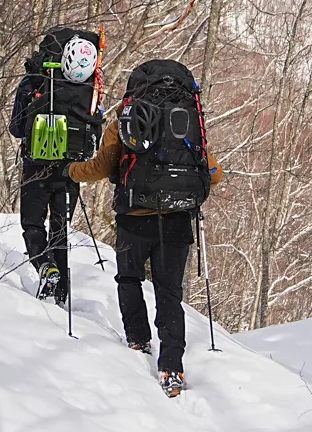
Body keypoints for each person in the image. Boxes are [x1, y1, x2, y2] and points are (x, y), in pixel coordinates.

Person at [70, 58, 222, 395]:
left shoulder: (126, 119)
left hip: (134, 219)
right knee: (170, 292)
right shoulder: (188, 120)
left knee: (129, 279)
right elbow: (215, 172)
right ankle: (172, 367)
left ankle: (138, 341)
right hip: (178, 219)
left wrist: (71, 171)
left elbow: (100, 167)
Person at [8, 27, 104, 308]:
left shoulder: (35, 80)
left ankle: (44, 266)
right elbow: (96, 130)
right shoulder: (91, 89)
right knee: (60, 227)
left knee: (32, 223)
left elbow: (16, 128)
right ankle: (61, 293)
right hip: (71, 170)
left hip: (36, 163)